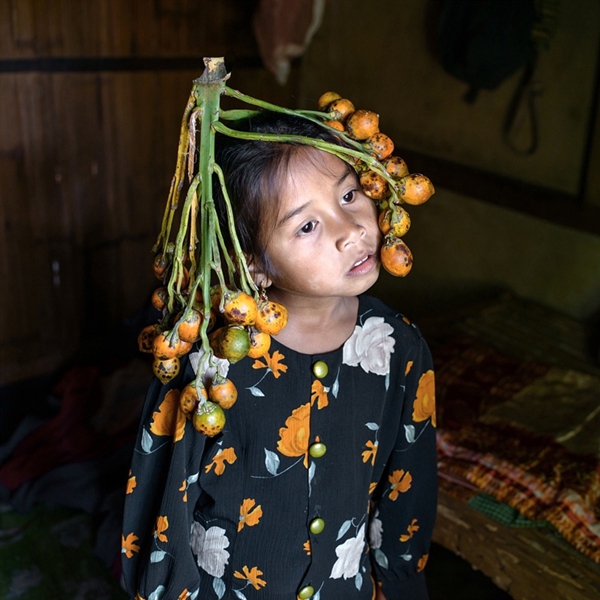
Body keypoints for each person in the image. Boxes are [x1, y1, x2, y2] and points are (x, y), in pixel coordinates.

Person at [121, 111, 437, 600]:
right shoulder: (212, 364)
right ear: (254, 265)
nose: (350, 229)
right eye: (307, 224)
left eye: (349, 195)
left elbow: (407, 488)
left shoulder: (399, 348)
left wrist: (400, 584)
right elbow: (163, 506)